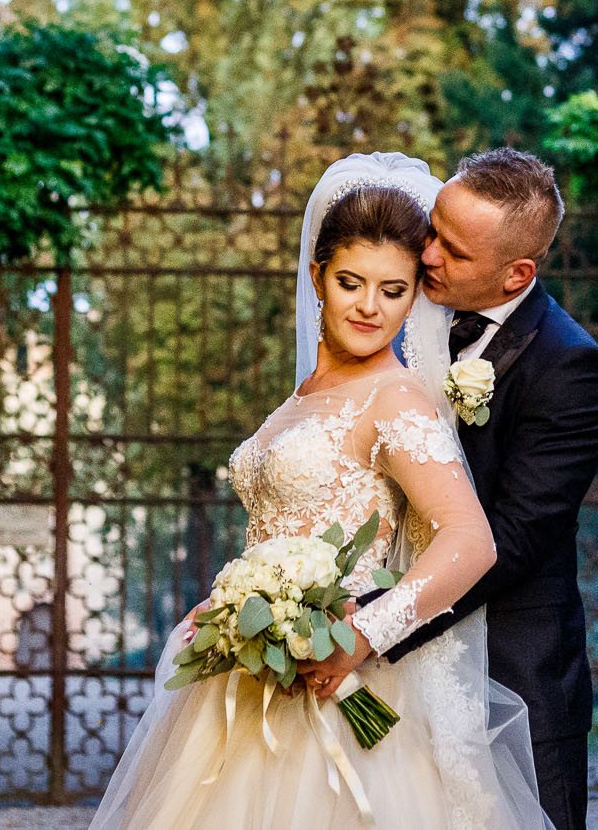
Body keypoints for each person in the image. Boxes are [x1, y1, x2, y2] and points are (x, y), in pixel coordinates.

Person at [89, 153, 551, 830]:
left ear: (412, 297)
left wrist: (360, 633)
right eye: (350, 281)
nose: (369, 305)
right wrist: (233, 605)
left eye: (393, 290)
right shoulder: (301, 397)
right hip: (250, 680)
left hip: (343, 684)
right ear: (317, 278)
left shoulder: (396, 400)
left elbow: (473, 541)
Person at [298, 147, 598, 830]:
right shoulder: (400, 314)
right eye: (433, 227)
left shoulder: (570, 367)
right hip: (382, 658)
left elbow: (512, 541)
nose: (428, 252)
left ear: (516, 274)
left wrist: (371, 628)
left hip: (510, 669)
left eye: (453, 248)